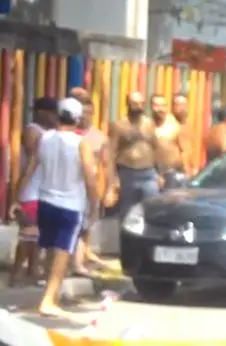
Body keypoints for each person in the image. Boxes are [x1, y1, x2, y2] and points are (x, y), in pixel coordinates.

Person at [13, 98, 99, 317]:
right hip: (70, 205)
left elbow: (30, 169)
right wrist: (94, 205)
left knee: (51, 249)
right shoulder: (81, 143)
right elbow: (90, 178)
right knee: (63, 252)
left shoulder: (45, 138)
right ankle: (48, 299)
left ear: (58, 115)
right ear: (77, 119)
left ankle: (50, 295)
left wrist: (17, 197)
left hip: (46, 201)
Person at [8, 97, 58, 286]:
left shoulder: (49, 133)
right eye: (51, 113)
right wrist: (18, 194)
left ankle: (32, 270)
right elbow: (31, 163)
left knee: (36, 235)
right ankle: (16, 274)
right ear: (41, 112)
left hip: (43, 189)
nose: (54, 116)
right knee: (28, 233)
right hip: (31, 190)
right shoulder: (33, 131)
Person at [72, 95, 118, 277]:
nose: (85, 116)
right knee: (77, 226)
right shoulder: (69, 134)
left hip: (89, 186)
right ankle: (77, 262)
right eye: (82, 112)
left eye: (89, 112)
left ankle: (82, 257)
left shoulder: (99, 137)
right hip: (70, 185)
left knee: (87, 225)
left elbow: (107, 164)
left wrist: (110, 188)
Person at [106, 92, 160, 223]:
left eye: (141, 103)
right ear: (128, 104)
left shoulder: (149, 124)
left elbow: (156, 148)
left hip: (148, 174)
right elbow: (110, 153)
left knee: (151, 209)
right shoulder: (118, 126)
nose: (138, 106)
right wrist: (113, 180)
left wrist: (159, 173)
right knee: (126, 212)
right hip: (127, 173)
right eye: (135, 103)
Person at [151, 94, 189, 188]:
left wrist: (187, 172)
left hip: (172, 173)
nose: (160, 109)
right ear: (151, 107)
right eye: (156, 105)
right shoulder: (148, 125)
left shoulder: (175, 126)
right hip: (152, 173)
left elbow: (185, 151)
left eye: (163, 105)